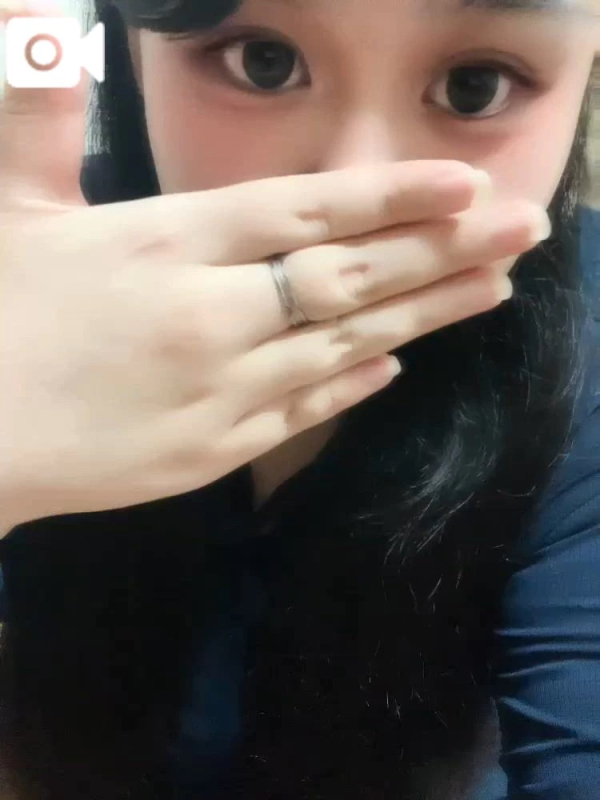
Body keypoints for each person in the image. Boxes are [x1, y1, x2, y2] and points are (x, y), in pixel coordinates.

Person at [0, 0, 598, 798]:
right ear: (136, 55)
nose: (357, 185)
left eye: (474, 84)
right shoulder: (31, 282)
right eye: (264, 62)